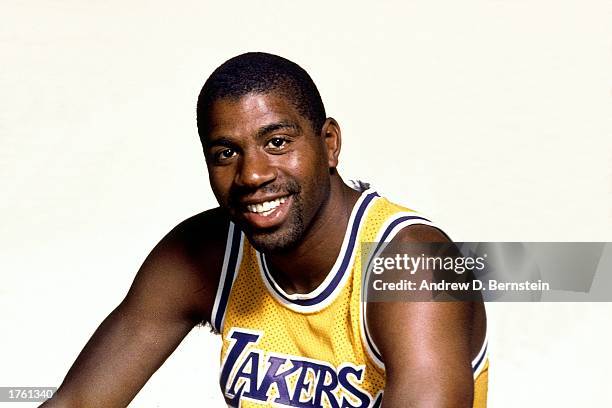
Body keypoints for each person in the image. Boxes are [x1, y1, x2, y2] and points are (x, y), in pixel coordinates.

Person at [41, 52, 488, 408]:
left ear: (328, 143)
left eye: (277, 143)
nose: (252, 174)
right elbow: (78, 402)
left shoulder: (414, 264)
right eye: (225, 153)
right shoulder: (205, 252)